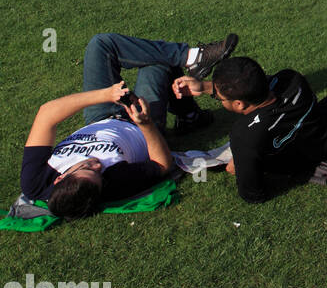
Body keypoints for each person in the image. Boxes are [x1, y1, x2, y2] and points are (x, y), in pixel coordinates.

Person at [20, 31, 238, 219]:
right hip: (137, 124)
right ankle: (190, 113)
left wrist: (105, 95)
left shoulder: (36, 181)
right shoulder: (112, 184)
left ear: (60, 177)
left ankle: (193, 60)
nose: (96, 164)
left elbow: (46, 114)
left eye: (86, 167)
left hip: (100, 116)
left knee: (101, 44)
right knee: (157, 62)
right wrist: (145, 123)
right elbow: (162, 164)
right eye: (98, 173)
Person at [170, 38, 327, 204]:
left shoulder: (246, 136)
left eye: (221, 98)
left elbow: (254, 195)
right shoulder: (291, 80)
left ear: (239, 105)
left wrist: (239, 167)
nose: (219, 100)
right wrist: (208, 87)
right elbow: (258, 84)